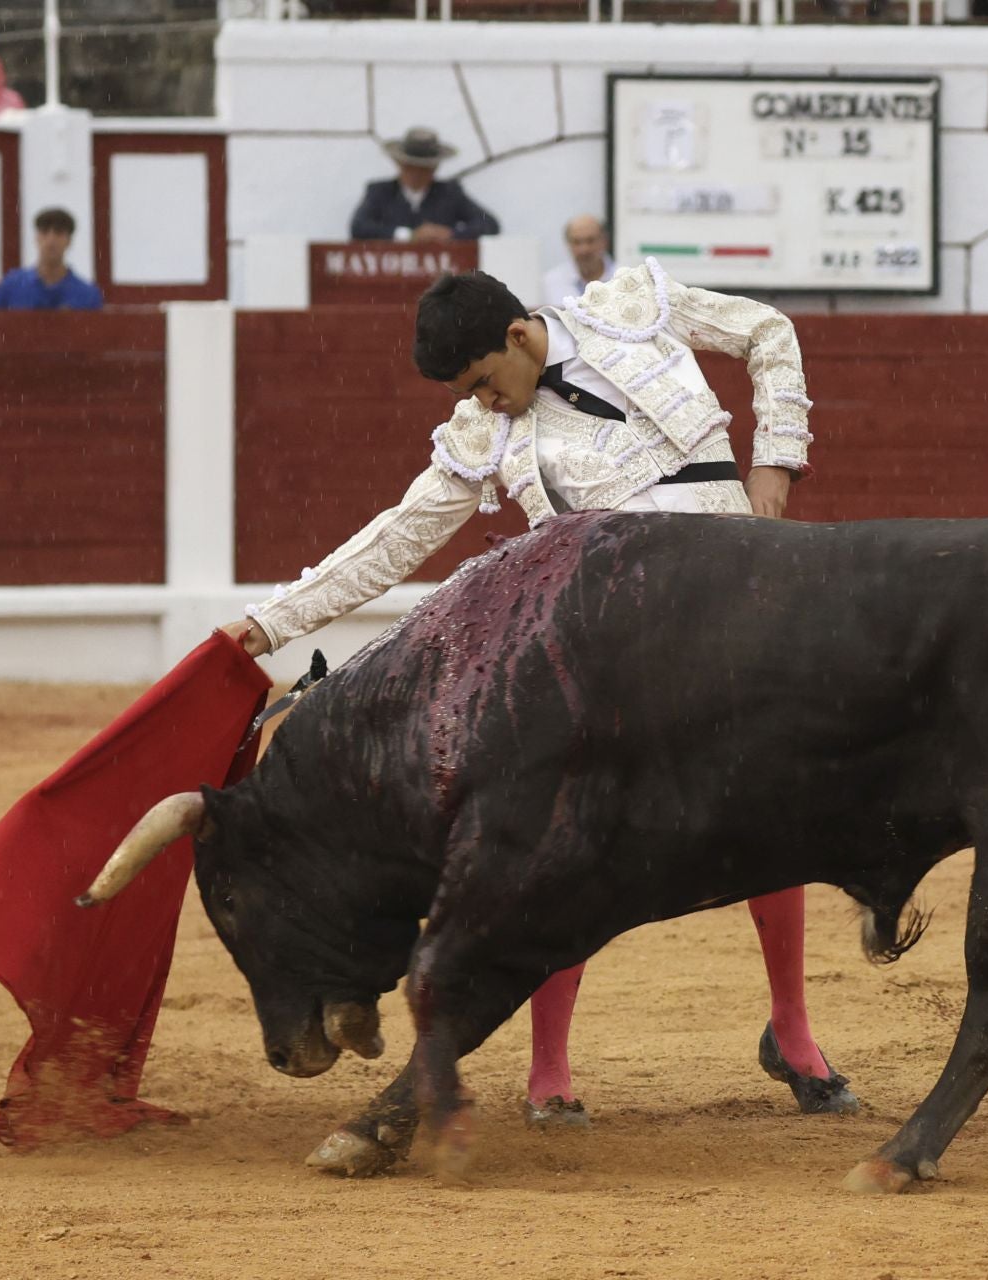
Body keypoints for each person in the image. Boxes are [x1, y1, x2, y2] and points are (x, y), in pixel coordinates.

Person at [218, 262, 849, 1130]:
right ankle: (548, 1072)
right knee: (567, 843)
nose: (483, 405)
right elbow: (394, 540)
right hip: (617, 660)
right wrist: (268, 623)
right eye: (467, 394)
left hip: (739, 615)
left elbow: (767, 332)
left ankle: (792, 1028)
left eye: (483, 383)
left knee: (775, 817)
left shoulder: (633, 308)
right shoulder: (483, 438)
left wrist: (777, 458)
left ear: (518, 335)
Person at [350, 126, 500, 243]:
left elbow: (490, 224)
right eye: (410, 167)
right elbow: (359, 227)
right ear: (400, 164)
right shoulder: (380, 192)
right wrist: (408, 236)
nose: (416, 174)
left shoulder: (449, 193)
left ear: (434, 168)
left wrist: (450, 234)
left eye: (423, 168)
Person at [0, 208, 103, 311]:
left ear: (69, 241)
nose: (51, 239)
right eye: (44, 232)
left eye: (58, 232)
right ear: (36, 238)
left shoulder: (87, 294)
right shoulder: (11, 286)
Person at [540, 213, 614, 307]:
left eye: (590, 241)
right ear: (568, 244)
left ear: (604, 241)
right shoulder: (551, 282)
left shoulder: (625, 278)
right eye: (576, 242)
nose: (584, 250)